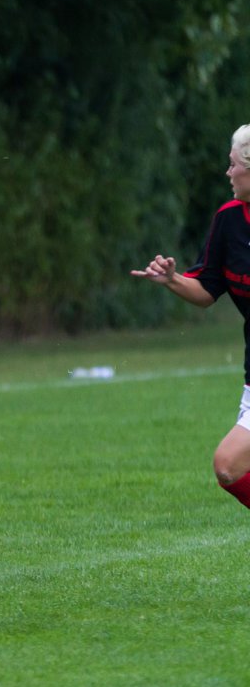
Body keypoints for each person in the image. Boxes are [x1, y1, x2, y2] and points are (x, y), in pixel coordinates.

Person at [132, 123, 250, 510]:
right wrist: (171, 280)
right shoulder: (229, 220)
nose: (227, 173)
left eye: (233, 165)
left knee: (228, 461)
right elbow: (207, 291)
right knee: (227, 468)